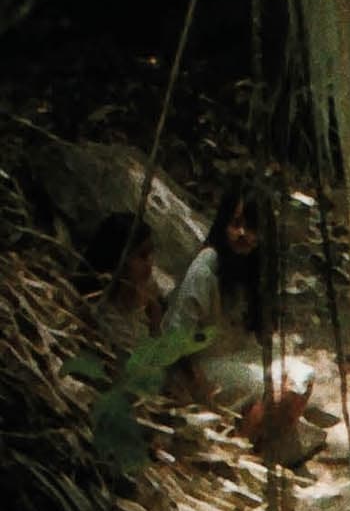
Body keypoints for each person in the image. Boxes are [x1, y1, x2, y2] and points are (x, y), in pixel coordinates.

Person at [163, 184, 328, 467]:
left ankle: (250, 445)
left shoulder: (256, 267)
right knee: (274, 388)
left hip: (243, 357)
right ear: (223, 224)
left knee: (302, 377)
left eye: (251, 227)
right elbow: (176, 336)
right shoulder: (207, 266)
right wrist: (193, 384)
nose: (243, 234)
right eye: (236, 224)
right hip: (207, 362)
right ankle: (238, 454)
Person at [79, 212, 165, 369]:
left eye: (150, 255)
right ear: (119, 258)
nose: (149, 265)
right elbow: (145, 371)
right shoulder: (102, 312)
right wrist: (155, 326)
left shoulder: (139, 294)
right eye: (142, 256)